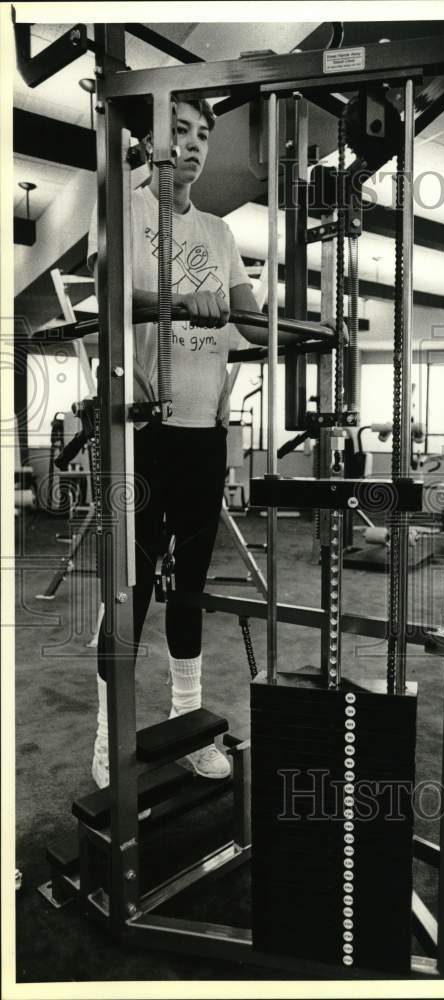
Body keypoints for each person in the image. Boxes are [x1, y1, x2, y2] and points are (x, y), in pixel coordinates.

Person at [87, 97, 268, 789]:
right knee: (129, 592)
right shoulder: (126, 214)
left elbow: (248, 323)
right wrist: (174, 301)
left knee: (188, 588)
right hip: (140, 431)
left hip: (200, 433)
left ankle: (189, 724)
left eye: (201, 136)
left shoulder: (219, 231)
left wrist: (280, 319)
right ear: (147, 144)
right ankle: (111, 740)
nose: (191, 147)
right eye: (178, 134)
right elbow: (109, 301)